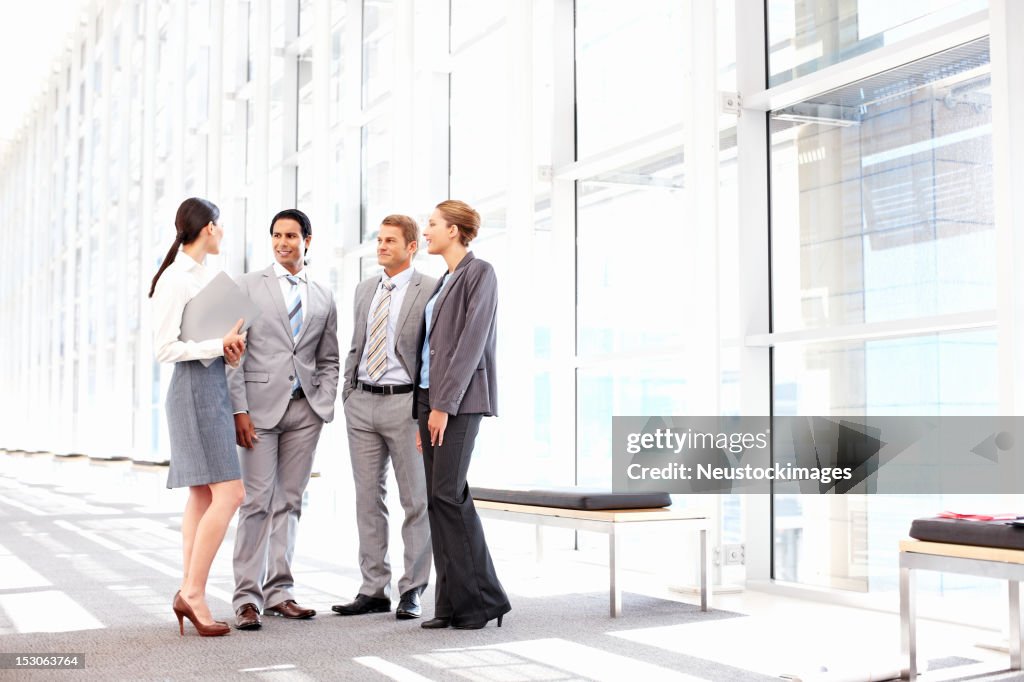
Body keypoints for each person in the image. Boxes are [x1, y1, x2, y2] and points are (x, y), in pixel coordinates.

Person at [227, 209, 340, 631]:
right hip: (257, 410)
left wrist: (322, 403)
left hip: (304, 411)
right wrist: (238, 409)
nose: (282, 242)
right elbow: (232, 353)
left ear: (307, 240)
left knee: (290, 501)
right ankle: (246, 599)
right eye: (276, 235)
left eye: (291, 235)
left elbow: (328, 357)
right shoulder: (246, 286)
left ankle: (279, 592)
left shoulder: (324, 294)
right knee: (257, 502)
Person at [150, 197, 248, 637]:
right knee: (231, 494)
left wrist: (228, 350)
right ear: (207, 227)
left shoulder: (205, 277)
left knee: (204, 497)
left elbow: (207, 343)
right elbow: (165, 349)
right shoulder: (176, 278)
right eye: (220, 225)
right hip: (192, 391)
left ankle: (189, 590)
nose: (223, 233)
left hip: (210, 386)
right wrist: (215, 345)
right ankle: (193, 592)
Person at [332, 215, 435, 620]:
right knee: (367, 500)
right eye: (379, 240)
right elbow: (356, 344)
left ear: (412, 246)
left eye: (390, 240)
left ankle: (412, 589)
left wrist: (426, 410)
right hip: (362, 404)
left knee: (416, 500)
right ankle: (373, 589)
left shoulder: (430, 288)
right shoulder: (364, 289)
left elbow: (433, 352)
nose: (381, 246)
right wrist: (348, 392)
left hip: (405, 405)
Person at [414, 199, 510, 630]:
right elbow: (428, 352)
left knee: (448, 495)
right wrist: (425, 406)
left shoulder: (480, 272)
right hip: (431, 401)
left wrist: (442, 406)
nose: (427, 230)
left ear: (454, 230)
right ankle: (451, 604)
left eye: (432, 224)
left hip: (458, 403)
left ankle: (482, 601)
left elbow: (471, 344)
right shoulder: (444, 281)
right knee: (439, 501)